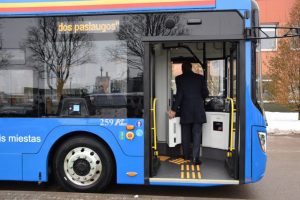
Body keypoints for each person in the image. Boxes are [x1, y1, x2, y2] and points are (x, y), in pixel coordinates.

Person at [168, 62, 209, 165]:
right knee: (196, 134)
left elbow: (179, 95)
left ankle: (186, 155)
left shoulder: (179, 79)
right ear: (191, 68)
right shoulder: (200, 78)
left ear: (182, 69)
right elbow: (205, 94)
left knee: (185, 133)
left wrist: (173, 110)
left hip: (186, 110)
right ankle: (195, 158)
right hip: (198, 109)